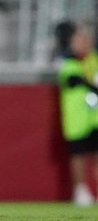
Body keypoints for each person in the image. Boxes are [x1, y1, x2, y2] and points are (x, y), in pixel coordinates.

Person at [58, 25, 98, 207]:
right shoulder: (69, 63)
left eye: (86, 40)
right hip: (77, 120)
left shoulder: (94, 60)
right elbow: (73, 80)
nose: (84, 43)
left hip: (95, 118)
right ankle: (80, 191)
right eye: (79, 40)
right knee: (79, 156)